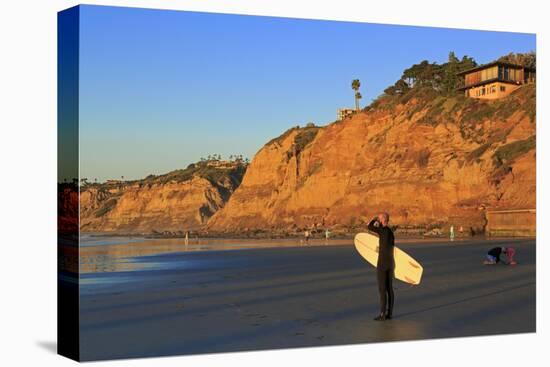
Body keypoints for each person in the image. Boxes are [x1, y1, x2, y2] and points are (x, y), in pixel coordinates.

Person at [368, 212, 395, 321]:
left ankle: (382, 314)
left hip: (382, 264)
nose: (378, 220)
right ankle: (390, 314)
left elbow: (369, 226)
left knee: (382, 289)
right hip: (390, 263)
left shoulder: (382, 230)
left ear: (383, 220)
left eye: (379, 218)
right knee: (390, 289)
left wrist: (375, 219)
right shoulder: (390, 232)